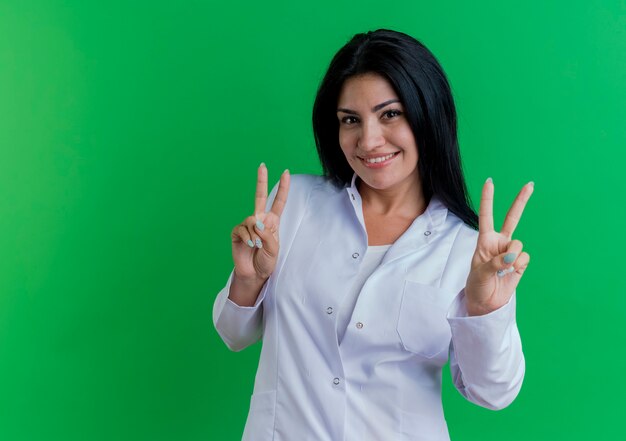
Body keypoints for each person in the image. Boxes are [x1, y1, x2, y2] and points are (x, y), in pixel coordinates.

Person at [213, 29, 534, 441]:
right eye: (351, 120)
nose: (368, 140)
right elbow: (233, 335)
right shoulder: (292, 207)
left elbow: (493, 393)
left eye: (390, 114)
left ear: (427, 115)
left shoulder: (469, 253)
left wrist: (484, 310)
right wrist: (248, 279)